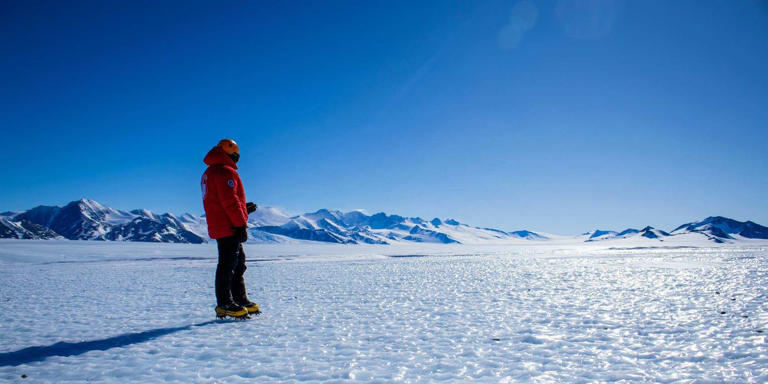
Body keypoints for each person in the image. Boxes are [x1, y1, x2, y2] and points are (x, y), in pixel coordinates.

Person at [201, 139, 260, 318]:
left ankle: (239, 299)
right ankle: (225, 303)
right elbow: (230, 201)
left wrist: (243, 208)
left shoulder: (211, 172)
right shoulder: (224, 171)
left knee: (238, 263)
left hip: (224, 224)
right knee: (228, 265)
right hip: (229, 226)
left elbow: (223, 200)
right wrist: (240, 223)